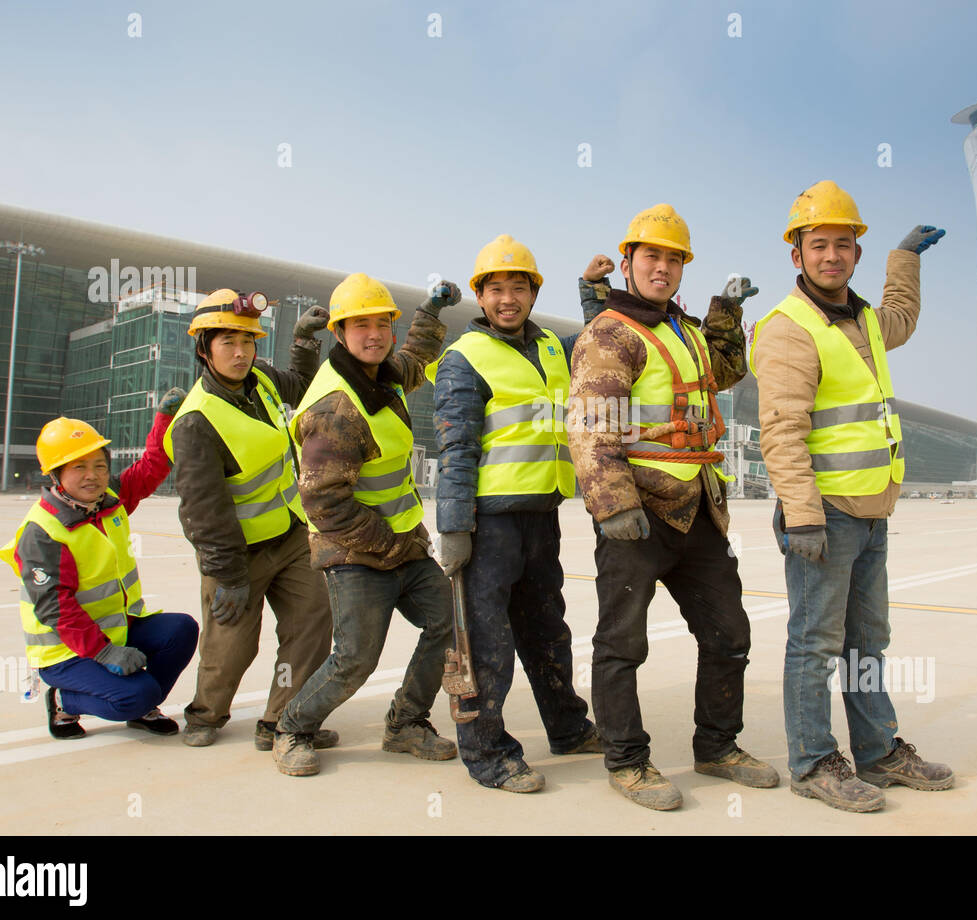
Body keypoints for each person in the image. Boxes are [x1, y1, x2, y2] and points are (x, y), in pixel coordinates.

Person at [749, 180, 953, 813]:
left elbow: (902, 318)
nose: (831, 255)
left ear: (855, 254)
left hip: (871, 511)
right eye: (819, 245)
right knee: (815, 642)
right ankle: (812, 762)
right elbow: (781, 431)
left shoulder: (863, 318)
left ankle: (877, 751)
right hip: (825, 517)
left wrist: (906, 260)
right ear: (797, 254)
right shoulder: (788, 329)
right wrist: (803, 517)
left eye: (843, 244)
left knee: (869, 641)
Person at [567, 203, 776, 811]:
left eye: (673, 259)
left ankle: (717, 747)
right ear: (628, 262)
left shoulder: (683, 331)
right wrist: (612, 504)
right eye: (652, 256)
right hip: (639, 516)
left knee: (728, 634)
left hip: (699, 513)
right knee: (622, 644)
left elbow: (727, 370)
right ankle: (628, 760)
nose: (662, 267)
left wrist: (726, 312)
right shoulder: (610, 332)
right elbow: (590, 423)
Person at [428, 235, 602, 794]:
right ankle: (486, 753)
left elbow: (599, 343)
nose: (508, 299)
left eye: (518, 287)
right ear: (479, 296)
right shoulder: (463, 358)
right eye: (496, 289)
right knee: (486, 643)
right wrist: (454, 528)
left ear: (532, 293)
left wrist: (592, 292)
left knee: (548, 628)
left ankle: (568, 727)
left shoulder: (551, 346)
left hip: (540, 515)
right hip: (488, 523)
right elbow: (456, 449)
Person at [271, 273, 460, 776]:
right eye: (361, 326)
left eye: (382, 324)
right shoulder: (336, 406)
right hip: (355, 553)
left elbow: (416, 361)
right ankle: (291, 727)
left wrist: (431, 312)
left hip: (402, 545)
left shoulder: (380, 374)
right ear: (339, 333)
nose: (374, 334)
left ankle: (405, 723)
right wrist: (388, 544)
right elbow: (326, 504)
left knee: (447, 624)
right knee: (355, 659)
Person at [165, 288, 338, 750]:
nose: (242, 353)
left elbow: (299, 387)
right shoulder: (195, 423)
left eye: (248, 342)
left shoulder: (260, 380)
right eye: (228, 343)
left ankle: (284, 719)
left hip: (289, 534)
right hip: (236, 553)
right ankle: (206, 715)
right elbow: (203, 511)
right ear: (204, 349)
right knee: (232, 645)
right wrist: (228, 575)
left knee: (312, 621)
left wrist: (303, 340)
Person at [0, 399, 198, 739]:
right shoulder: (42, 533)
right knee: (136, 695)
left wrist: (165, 419)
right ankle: (66, 701)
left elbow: (150, 468)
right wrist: (104, 652)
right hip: (65, 651)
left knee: (180, 630)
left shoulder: (107, 500)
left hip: (115, 630)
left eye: (99, 465)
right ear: (56, 475)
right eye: (78, 467)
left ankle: (143, 705)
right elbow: (55, 609)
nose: (92, 476)